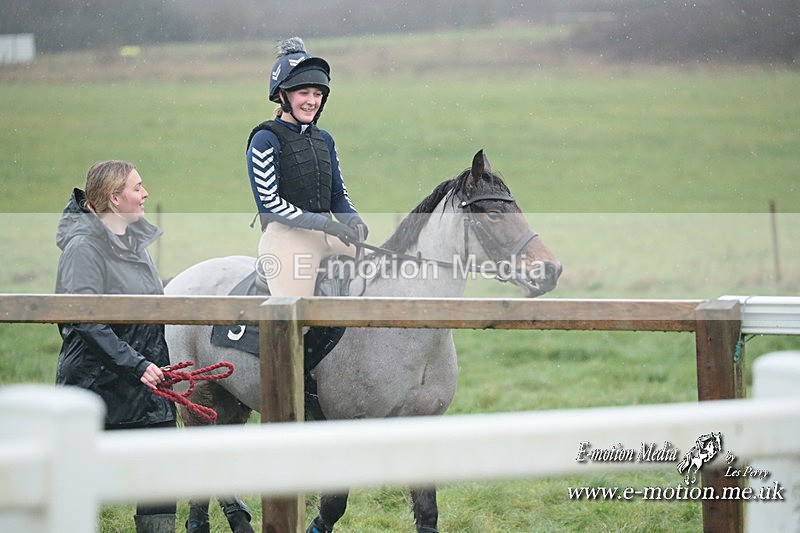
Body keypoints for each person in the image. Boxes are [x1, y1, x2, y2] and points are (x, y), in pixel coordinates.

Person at [55, 160, 177, 532]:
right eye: (137, 188)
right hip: (98, 389)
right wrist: (136, 365)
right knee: (75, 489)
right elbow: (85, 319)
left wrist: (150, 367)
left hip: (148, 388)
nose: (145, 194)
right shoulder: (82, 247)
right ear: (114, 198)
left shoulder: (135, 242)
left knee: (161, 482)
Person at [246, 36, 368, 296]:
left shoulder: (325, 140)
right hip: (287, 238)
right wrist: (324, 224)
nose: (312, 101)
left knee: (381, 280)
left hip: (330, 235)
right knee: (295, 310)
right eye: (303, 93)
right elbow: (270, 203)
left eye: (317, 94)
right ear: (282, 95)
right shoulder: (265, 139)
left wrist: (352, 219)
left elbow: (337, 194)